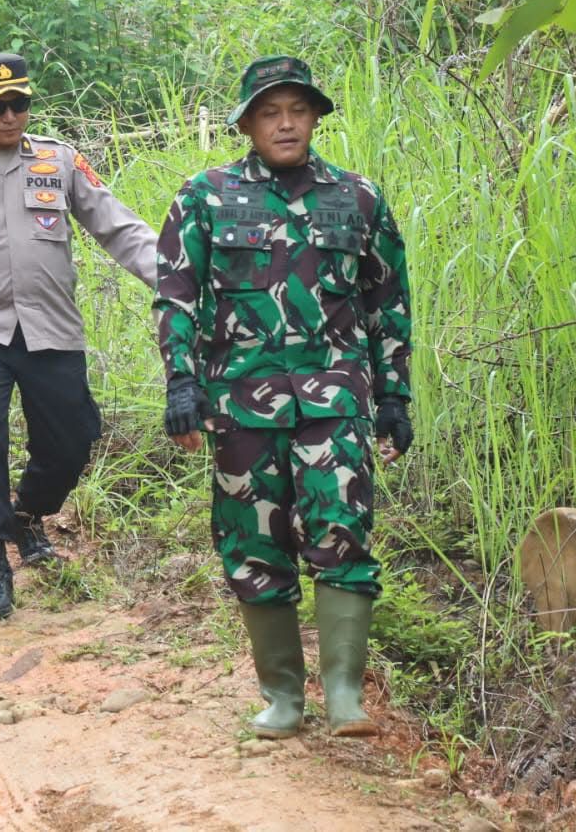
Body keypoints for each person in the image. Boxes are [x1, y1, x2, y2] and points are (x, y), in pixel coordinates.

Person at [155, 56, 413, 740]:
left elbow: (386, 300)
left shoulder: (357, 198)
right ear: (245, 123)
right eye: (269, 112)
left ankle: (344, 696)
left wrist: (394, 396)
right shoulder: (204, 197)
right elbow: (177, 296)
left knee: (342, 531)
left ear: (316, 117)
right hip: (240, 406)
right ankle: (281, 697)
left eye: (297, 109)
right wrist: (180, 383)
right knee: (251, 544)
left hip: (334, 403)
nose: (285, 123)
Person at [0, 52, 158, 624]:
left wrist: (178, 278)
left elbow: (119, 227)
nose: (11, 116)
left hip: (51, 326)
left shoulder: (59, 161)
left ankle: (29, 513)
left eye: (19, 104)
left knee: (73, 439)